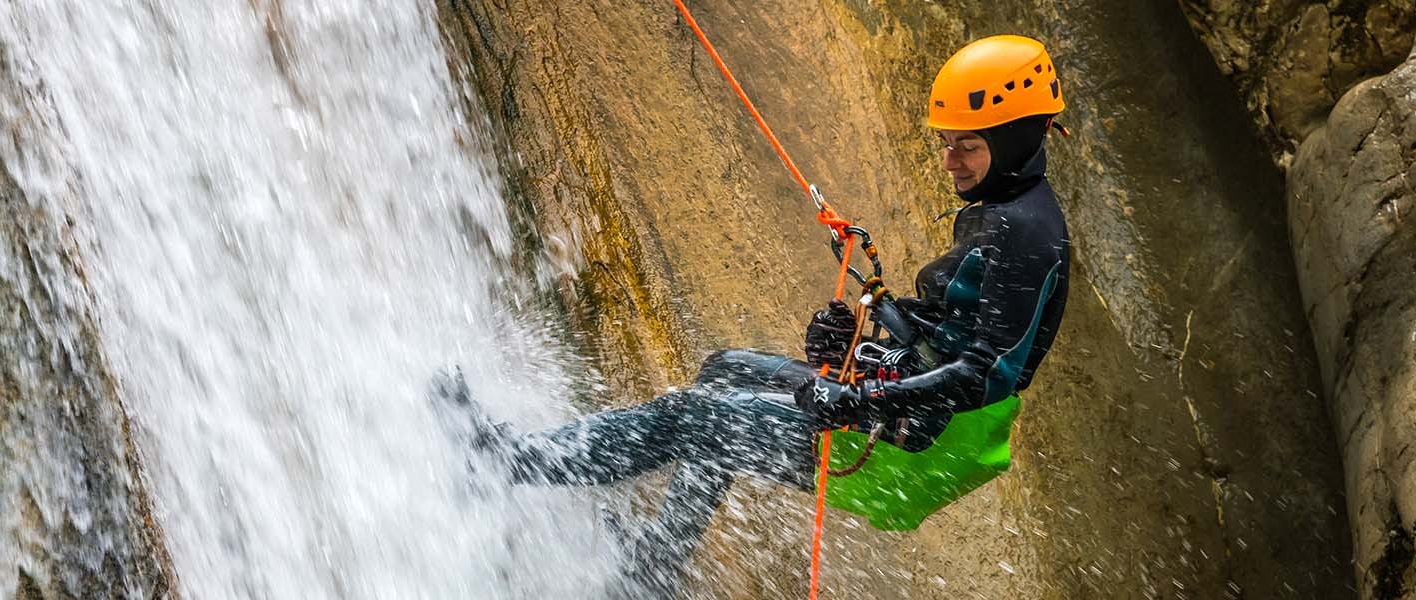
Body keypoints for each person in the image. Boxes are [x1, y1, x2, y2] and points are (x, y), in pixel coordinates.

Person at [432, 34, 1071, 597]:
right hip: (906, 415)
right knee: (726, 371)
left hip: (913, 450)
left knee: (692, 419)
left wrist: (859, 401)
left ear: (1017, 138)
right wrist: (871, 327)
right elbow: (952, 336)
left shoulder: (1026, 232)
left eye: (969, 147)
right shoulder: (1003, 209)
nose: (950, 162)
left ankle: (507, 464)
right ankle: (654, 571)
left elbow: (986, 372)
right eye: (946, 144)